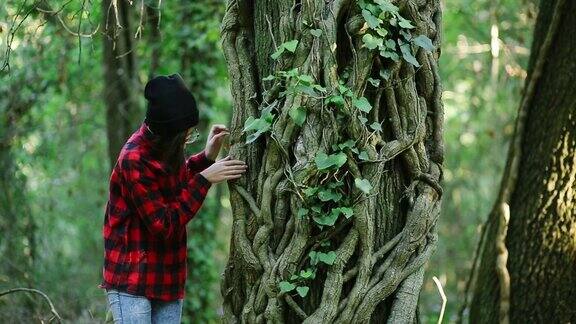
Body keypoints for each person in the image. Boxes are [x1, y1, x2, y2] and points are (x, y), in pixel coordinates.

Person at [98, 73, 247, 323]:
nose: (188, 138)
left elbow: (170, 183)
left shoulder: (163, 147)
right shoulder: (133, 159)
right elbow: (163, 224)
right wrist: (204, 180)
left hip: (166, 275)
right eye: (186, 134)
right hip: (131, 278)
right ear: (170, 133)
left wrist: (206, 158)